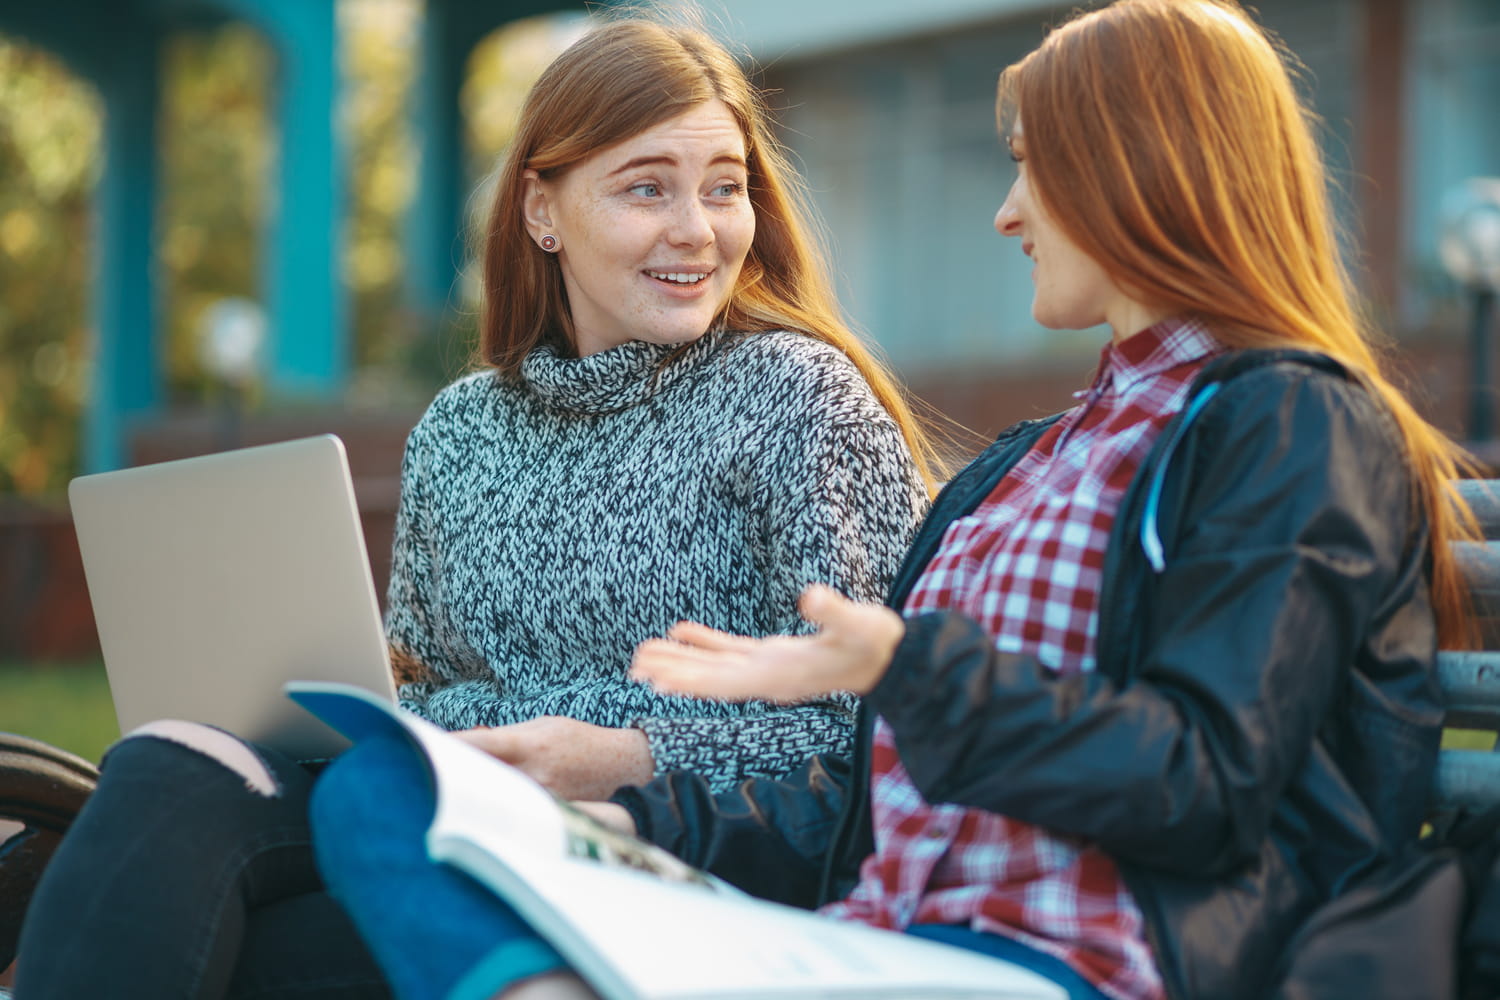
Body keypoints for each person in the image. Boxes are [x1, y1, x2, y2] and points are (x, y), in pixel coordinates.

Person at [307, 1, 1480, 998]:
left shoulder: (1288, 424)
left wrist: (903, 669)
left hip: (1078, 962)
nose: (1007, 212)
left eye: (1033, 166)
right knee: (376, 802)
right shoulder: (1033, 461)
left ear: (1144, 173)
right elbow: (869, 804)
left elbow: (1206, 785)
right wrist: (639, 829)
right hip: (878, 941)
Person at [13, 15, 938, 999]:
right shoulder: (462, 428)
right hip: (449, 805)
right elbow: (412, 677)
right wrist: (423, 728)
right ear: (543, 211)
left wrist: (616, 754)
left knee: (258, 948)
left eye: (724, 186)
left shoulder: (797, 397)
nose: (698, 229)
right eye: (646, 188)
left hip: (666, 854)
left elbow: (890, 734)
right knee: (167, 770)